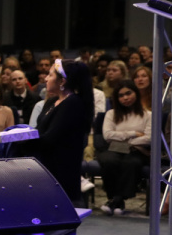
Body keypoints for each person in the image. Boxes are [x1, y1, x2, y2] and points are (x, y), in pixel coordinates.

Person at [35, 60, 96, 210]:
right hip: (46, 164)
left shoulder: (73, 103)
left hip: (61, 168)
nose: (46, 79)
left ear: (62, 81)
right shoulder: (52, 101)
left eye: (50, 75)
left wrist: (21, 141)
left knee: (60, 213)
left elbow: (50, 139)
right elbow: (39, 130)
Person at [99, 80, 151, 216]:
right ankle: (118, 201)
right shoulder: (111, 113)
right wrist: (133, 133)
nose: (125, 98)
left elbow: (149, 138)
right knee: (109, 161)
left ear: (136, 93)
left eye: (128, 93)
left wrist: (126, 140)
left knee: (131, 163)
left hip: (137, 151)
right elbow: (108, 135)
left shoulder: (148, 115)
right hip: (114, 148)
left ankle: (115, 200)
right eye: (121, 96)